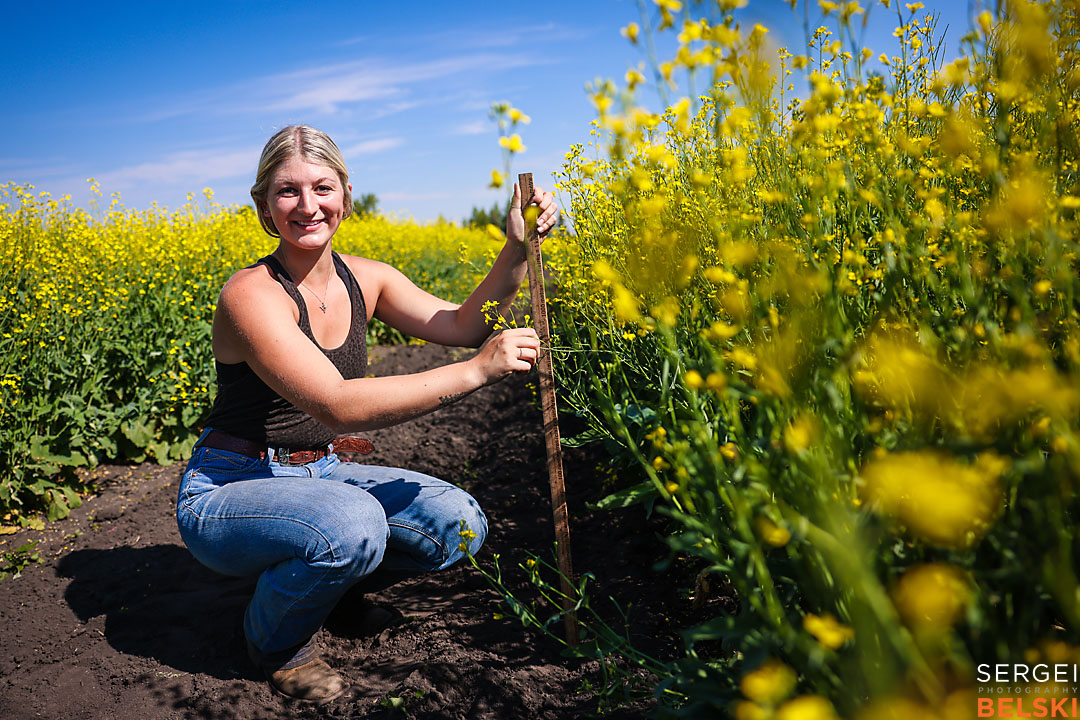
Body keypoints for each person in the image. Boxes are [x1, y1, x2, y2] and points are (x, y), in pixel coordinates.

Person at [175, 124, 558, 704]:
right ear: (263, 206)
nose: (308, 206)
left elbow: (463, 325)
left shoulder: (367, 278)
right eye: (287, 192)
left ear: (346, 197)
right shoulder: (250, 295)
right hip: (231, 484)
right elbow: (336, 403)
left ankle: (332, 590)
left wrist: (514, 247)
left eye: (323, 188)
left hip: (321, 473)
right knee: (352, 523)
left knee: (459, 524)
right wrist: (477, 371)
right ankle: (276, 643)